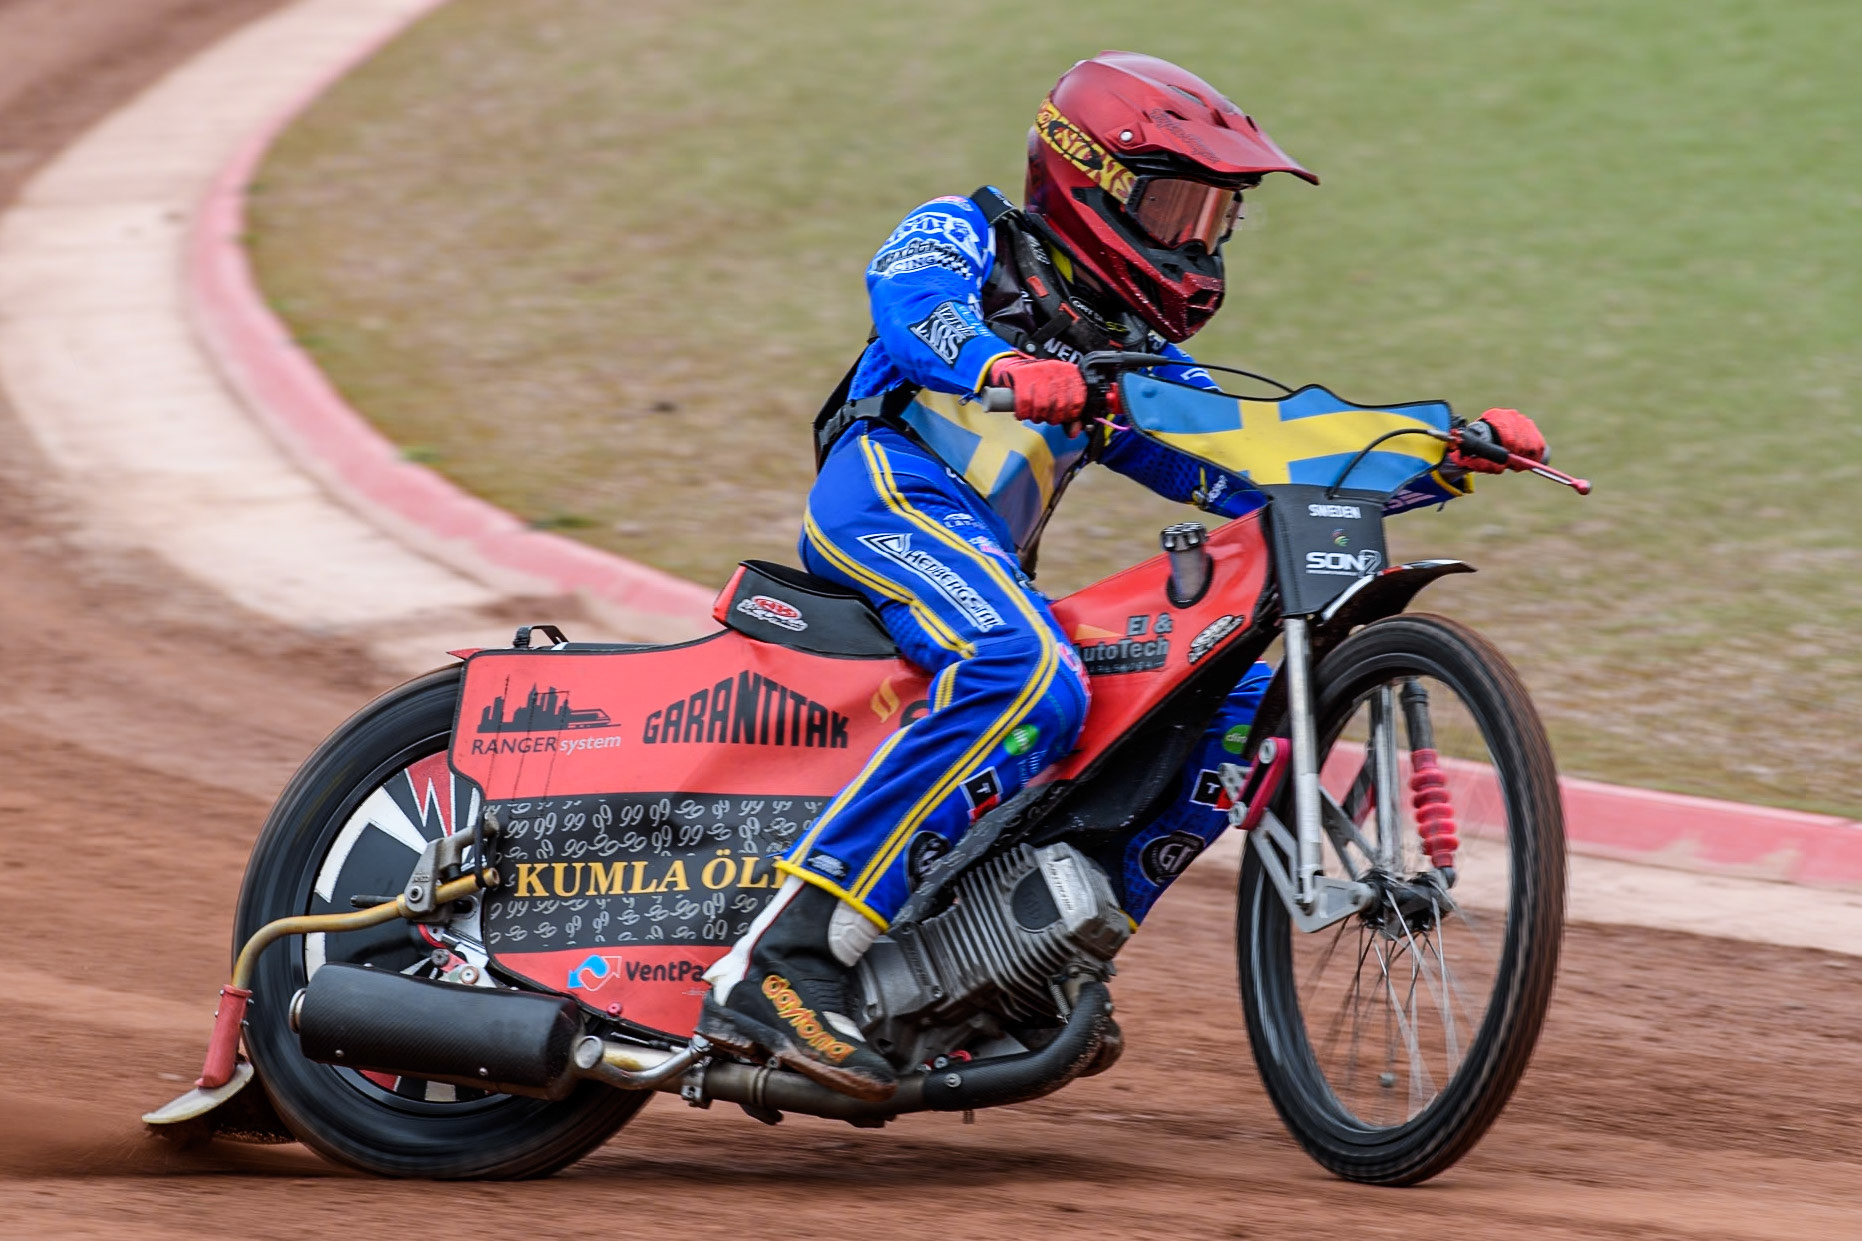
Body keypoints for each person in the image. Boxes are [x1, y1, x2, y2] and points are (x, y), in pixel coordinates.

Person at [699, 51, 1546, 1100]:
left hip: (982, 556)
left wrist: (1433, 452)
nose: (1195, 241)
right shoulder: (963, 231)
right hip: (888, 499)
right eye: (1174, 207)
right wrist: (1003, 367)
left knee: (1227, 705)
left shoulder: (1128, 356)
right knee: (1022, 669)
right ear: (1083, 177)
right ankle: (782, 963)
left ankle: (1017, 967)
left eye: (1215, 218)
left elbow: (1245, 451)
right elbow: (913, 312)